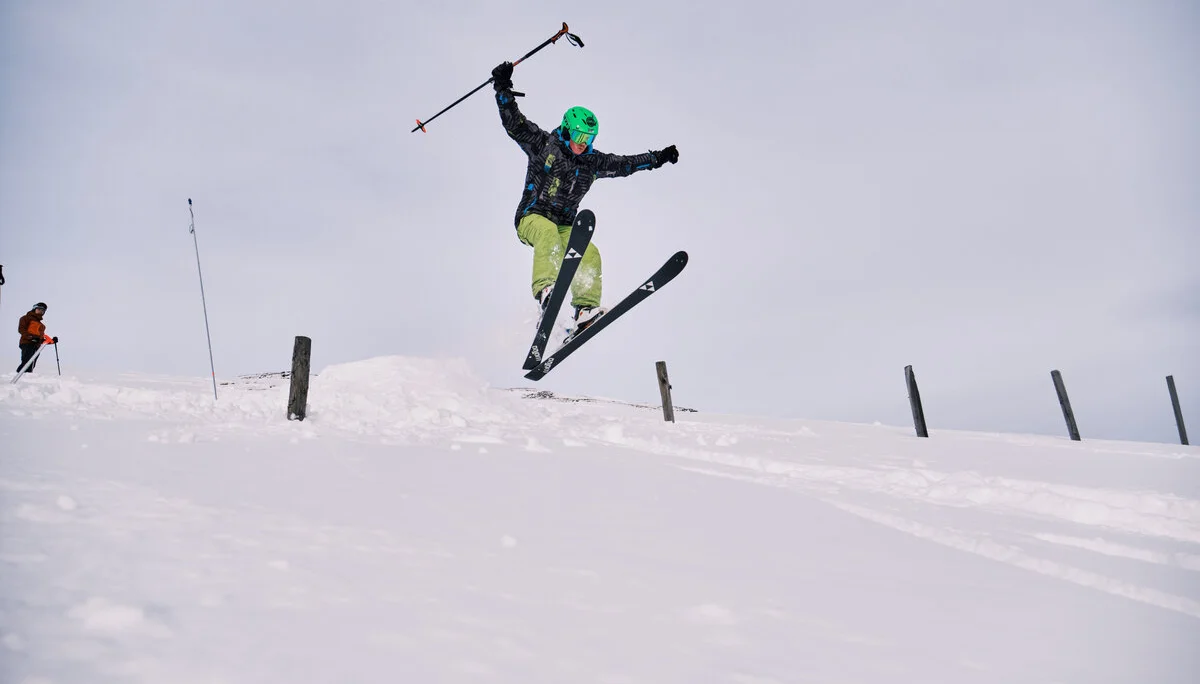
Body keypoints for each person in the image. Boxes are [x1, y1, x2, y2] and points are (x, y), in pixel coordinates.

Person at [491, 60, 679, 336]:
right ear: (567, 130)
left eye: (589, 138)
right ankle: (546, 291)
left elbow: (625, 164)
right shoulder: (543, 144)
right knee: (547, 235)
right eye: (579, 135)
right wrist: (502, 87)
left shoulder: (591, 162)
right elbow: (515, 124)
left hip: (565, 225)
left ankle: (585, 310)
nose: (583, 143)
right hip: (532, 217)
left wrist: (657, 158)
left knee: (589, 253)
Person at [17, 302, 55, 373]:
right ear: (34, 309)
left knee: (32, 364)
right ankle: (17, 377)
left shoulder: (42, 325)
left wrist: (52, 341)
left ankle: (26, 378)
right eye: (39, 309)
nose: (40, 311)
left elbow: (41, 339)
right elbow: (21, 329)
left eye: (42, 310)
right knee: (26, 362)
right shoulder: (25, 318)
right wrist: (31, 337)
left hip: (37, 346)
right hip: (27, 343)